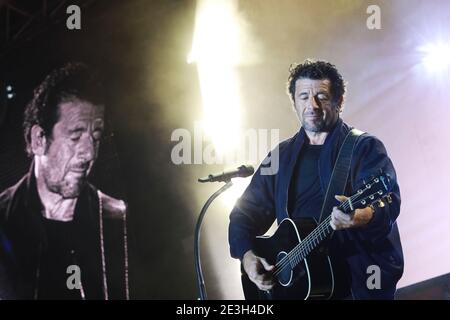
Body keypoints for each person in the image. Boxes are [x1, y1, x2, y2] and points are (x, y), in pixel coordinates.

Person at [228, 59, 403, 299]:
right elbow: (243, 215)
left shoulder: (363, 147)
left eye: (321, 96)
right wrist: (247, 258)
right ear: (294, 103)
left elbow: (387, 203)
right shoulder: (279, 157)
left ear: (339, 101)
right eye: (303, 97)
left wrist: (359, 216)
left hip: (354, 285)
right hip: (299, 290)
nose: (312, 105)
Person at [0, 62, 128, 299]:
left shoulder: (117, 220)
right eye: (75, 136)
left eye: (96, 137)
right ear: (38, 139)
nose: (89, 153)